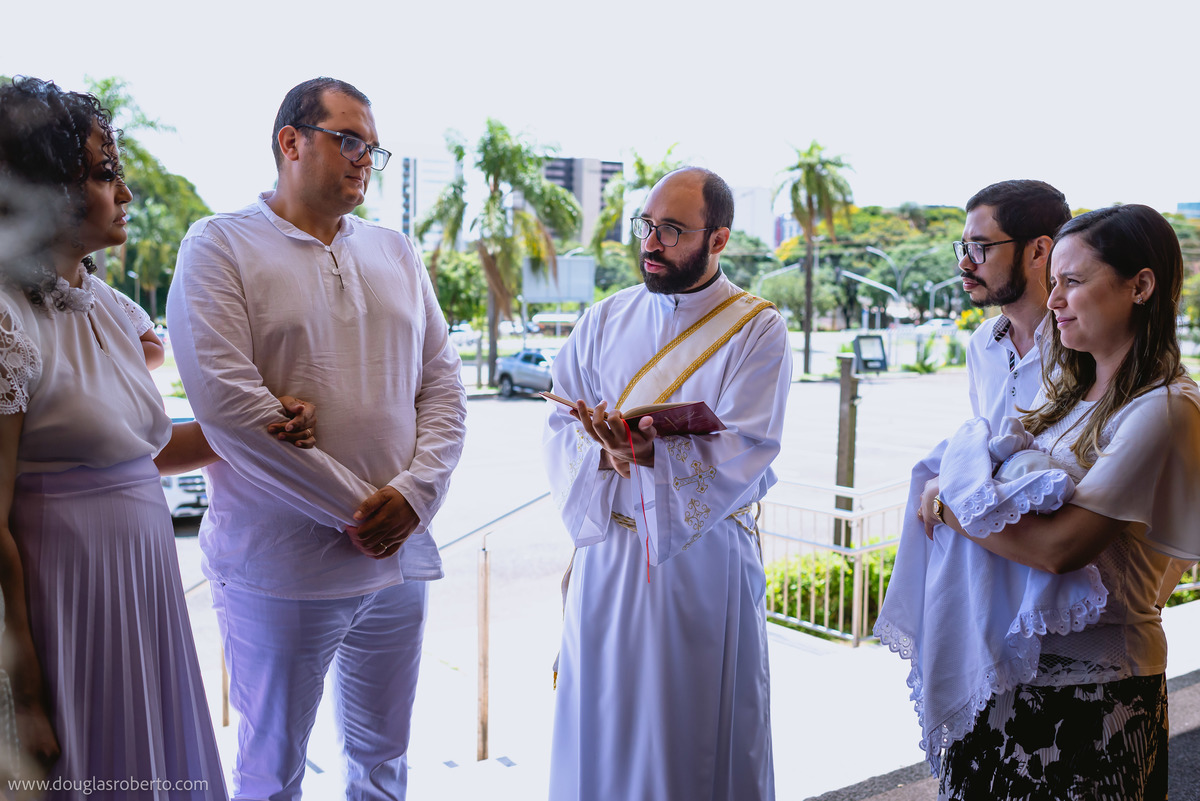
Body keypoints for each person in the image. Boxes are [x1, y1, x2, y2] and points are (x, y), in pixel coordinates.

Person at [0, 77, 314, 799]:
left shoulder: (109, 307)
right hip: (65, 594)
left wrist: (257, 424)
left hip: (141, 587)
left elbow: (136, 454)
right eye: (106, 175)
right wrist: (26, 696)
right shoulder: (7, 322)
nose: (127, 194)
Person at [167, 77, 467, 800]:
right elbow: (233, 411)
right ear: (290, 142)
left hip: (395, 565)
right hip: (281, 567)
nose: (365, 158)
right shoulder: (219, 246)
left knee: (383, 762)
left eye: (374, 147)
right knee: (272, 772)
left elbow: (443, 386)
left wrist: (414, 496)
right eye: (350, 139)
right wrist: (369, 509)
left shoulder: (396, 252)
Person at [920, 204, 1200, 799]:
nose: (1053, 302)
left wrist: (951, 507)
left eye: (1073, 283)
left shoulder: (1163, 406)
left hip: (1097, 692)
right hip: (1010, 674)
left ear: (1141, 286)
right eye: (1054, 284)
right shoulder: (1071, 392)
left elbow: (1058, 550)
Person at [543, 167, 790, 801]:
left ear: (720, 239)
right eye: (648, 225)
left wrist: (655, 456)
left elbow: (751, 444)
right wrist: (602, 451)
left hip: (697, 561)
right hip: (607, 555)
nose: (652, 242)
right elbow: (558, 417)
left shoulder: (757, 328)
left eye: (673, 230)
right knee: (598, 716)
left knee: (685, 733)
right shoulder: (604, 318)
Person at [959, 179, 1071, 430]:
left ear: (1038, 252)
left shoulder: (1081, 346)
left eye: (978, 247)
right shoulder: (981, 344)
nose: (965, 263)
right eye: (964, 247)